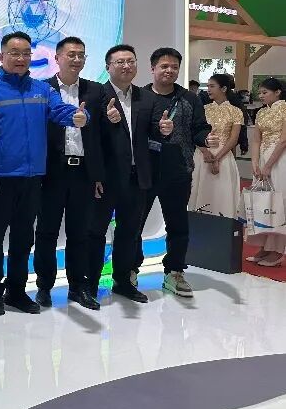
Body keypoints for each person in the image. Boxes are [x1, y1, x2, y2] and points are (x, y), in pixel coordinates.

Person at [0, 32, 85, 316]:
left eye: (26, 53)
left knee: (24, 239)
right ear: (2, 56)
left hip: (32, 178)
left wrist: (77, 116)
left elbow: (59, 110)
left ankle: (16, 291)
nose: (21, 58)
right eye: (14, 53)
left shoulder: (42, 89)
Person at [32, 37, 105, 310]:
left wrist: (97, 175)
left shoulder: (95, 91)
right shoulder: (42, 89)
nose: (76, 59)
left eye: (81, 55)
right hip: (52, 172)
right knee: (46, 233)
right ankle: (44, 287)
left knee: (80, 233)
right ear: (57, 58)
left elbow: (100, 138)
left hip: (83, 173)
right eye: (71, 54)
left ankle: (77, 287)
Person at [140, 47, 211, 298]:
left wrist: (206, 139)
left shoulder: (189, 98)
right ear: (153, 68)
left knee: (178, 224)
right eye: (164, 66)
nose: (169, 71)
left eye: (174, 67)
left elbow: (199, 128)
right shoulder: (140, 97)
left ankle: (174, 272)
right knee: (133, 223)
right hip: (144, 170)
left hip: (178, 169)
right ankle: (129, 269)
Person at [90, 44, 154, 303]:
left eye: (131, 61)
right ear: (108, 67)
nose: (126, 66)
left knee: (129, 232)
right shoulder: (97, 95)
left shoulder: (146, 97)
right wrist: (95, 175)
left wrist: (164, 129)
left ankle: (123, 281)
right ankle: (89, 284)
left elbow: (151, 134)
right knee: (95, 232)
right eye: (120, 62)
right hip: (105, 179)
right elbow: (90, 138)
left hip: (137, 177)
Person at [188, 74, 243, 219]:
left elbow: (233, 139)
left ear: (223, 88)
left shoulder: (236, 111)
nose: (208, 89)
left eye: (212, 86)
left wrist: (217, 158)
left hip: (224, 157)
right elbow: (193, 133)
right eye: (208, 86)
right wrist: (205, 152)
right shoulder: (202, 109)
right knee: (201, 192)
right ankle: (199, 226)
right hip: (202, 156)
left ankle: (223, 227)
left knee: (222, 194)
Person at [246, 78, 286, 266]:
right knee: (263, 203)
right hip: (263, 159)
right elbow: (256, 139)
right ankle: (264, 246)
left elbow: (284, 140)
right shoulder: (261, 112)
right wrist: (255, 162)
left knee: (278, 204)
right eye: (260, 93)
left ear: (278, 92)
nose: (261, 96)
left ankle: (277, 251)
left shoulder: (284, 108)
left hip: (280, 160)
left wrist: (269, 165)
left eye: (265, 92)